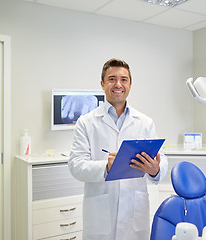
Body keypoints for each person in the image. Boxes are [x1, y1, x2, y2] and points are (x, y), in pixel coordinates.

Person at [68, 58, 168, 240]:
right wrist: (105, 167)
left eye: (123, 79)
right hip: (100, 214)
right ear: (102, 84)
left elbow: (161, 159)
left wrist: (155, 170)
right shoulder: (86, 122)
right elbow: (76, 165)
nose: (118, 84)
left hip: (134, 212)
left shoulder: (145, 122)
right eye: (112, 79)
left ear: (130, 84)